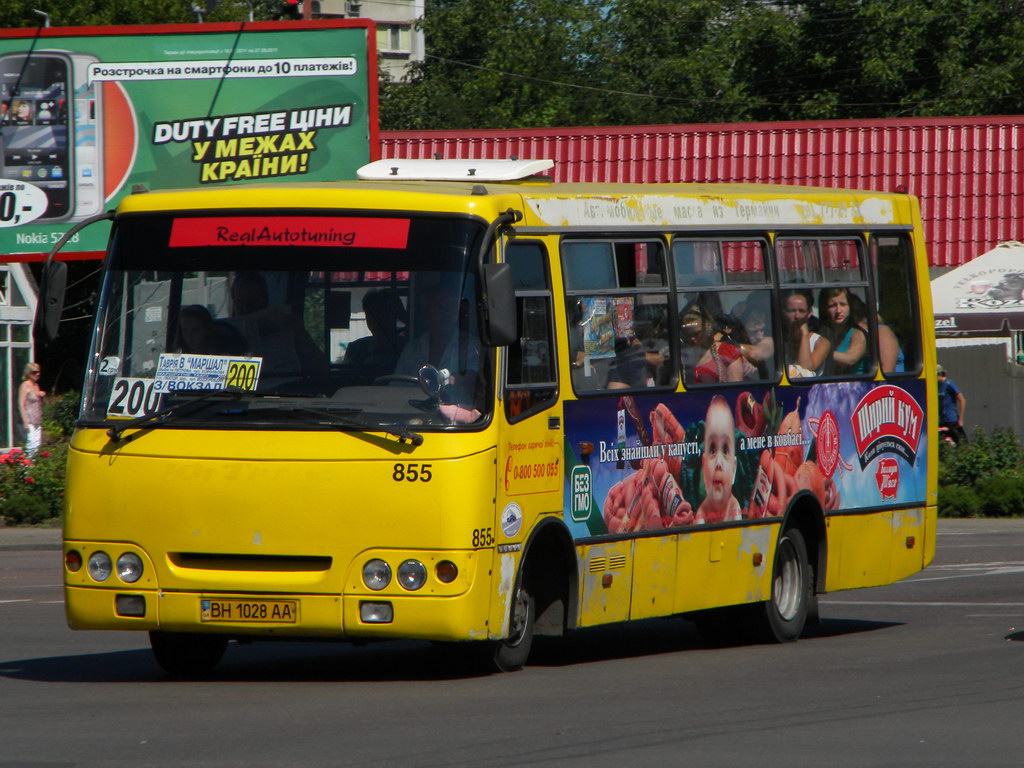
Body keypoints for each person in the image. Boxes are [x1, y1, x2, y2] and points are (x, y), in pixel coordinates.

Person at [696, 395, 742, 524]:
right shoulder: (702, 513)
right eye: (712, 450)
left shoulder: (734, 507)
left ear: (734, 469)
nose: (718, 463)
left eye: (726, 451)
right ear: (704, 466)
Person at [679, 303, 745, 384]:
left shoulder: (727, 352)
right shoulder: (681, 354)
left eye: (697, 333)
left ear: (708, 326)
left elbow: (735, 390)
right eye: (688, 335)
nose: (692, 338)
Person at [343, 289, 407, 371]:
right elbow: (347, 377)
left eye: (381, 314)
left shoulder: (406, 347)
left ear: (393, 316)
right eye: (370, 314)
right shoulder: (356, 349)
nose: (375, 319)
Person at [819, 287, 869, 375]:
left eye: (843, 304)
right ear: (825, 308)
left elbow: (850, 359)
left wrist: (820, 353)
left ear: (850, 306)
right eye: (833, 305)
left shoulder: (858, 334)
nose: (838, 310)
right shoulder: (822, 332)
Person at [782, 290, 829, 377]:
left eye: (802, 311)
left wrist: (804, 334)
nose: (797, 316)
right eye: (792, 311)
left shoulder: (821, 343)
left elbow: (805, 371)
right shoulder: (781, 341)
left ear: (809, 312)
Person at [174, 304, 247, 355]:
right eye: (185, 331)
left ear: (207, 329)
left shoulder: (223, 357)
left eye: (196, 330)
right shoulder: (177, 357)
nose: (189, 336)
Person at [18, 363, 45, 455]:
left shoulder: (36, 385)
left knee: (37, 445)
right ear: (28, 373)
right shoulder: (25, 385)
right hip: (29, 420)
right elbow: (21, 404)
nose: (37, 374)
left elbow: (38, 404)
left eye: (39, 372)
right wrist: (25, 421)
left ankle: (33, 466)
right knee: (31, 444)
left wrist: (41, 396)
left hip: (37, 419)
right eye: (34, 372)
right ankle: (26, 467)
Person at [937, 364, 967, 443]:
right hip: (942, 420)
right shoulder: (937, 386)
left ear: (940, 374)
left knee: (960, 442)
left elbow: (962, 400)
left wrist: (960, 419)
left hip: (951, 419)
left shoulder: (949, 384)